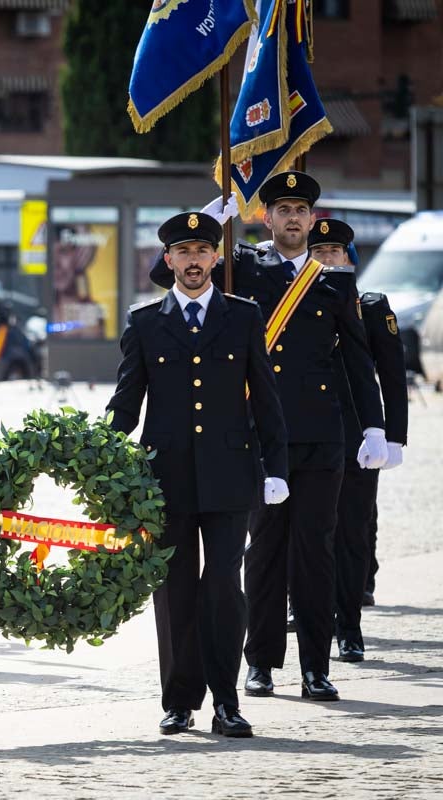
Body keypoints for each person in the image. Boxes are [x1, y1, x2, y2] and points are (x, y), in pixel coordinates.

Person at [149, 172, 386, 702]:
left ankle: (315, 668)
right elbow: (168, 277)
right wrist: (212, 221)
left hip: (323, 437)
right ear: (267, 218)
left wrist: (374, 425)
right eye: (283, 209)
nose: (294, 218)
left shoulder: (335, 283)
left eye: (302, 210)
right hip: (260, 440)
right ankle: (260, 663)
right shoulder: (244, 268)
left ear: (313, 219)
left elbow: (356, 360)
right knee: (262, 555)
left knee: (315, 552)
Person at [108, 212, 289, 737]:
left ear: (216, 258)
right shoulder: (144, 323)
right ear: (168, 261)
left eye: (201, 251)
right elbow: (126, 404)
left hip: (231, 474)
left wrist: (275, 468)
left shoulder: (243, 316)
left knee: (223, 588)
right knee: (176, 589)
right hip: (165, 478)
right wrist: (101, 460)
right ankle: (180, 699)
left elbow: (267, 401)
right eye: (182, 252)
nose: (192, 261)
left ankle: (227, 702)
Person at [308, 220, 408, 663]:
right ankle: (307, 608)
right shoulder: (288, 307)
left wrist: (394, 437)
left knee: (351, 532)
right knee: (305, 533)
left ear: (350, 259)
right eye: (319, 250)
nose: (327, 258)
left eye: (335, 251)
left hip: (357, 437)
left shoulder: (371, 307)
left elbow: (391, 374)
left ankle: (348, 626)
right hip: (305, 435)